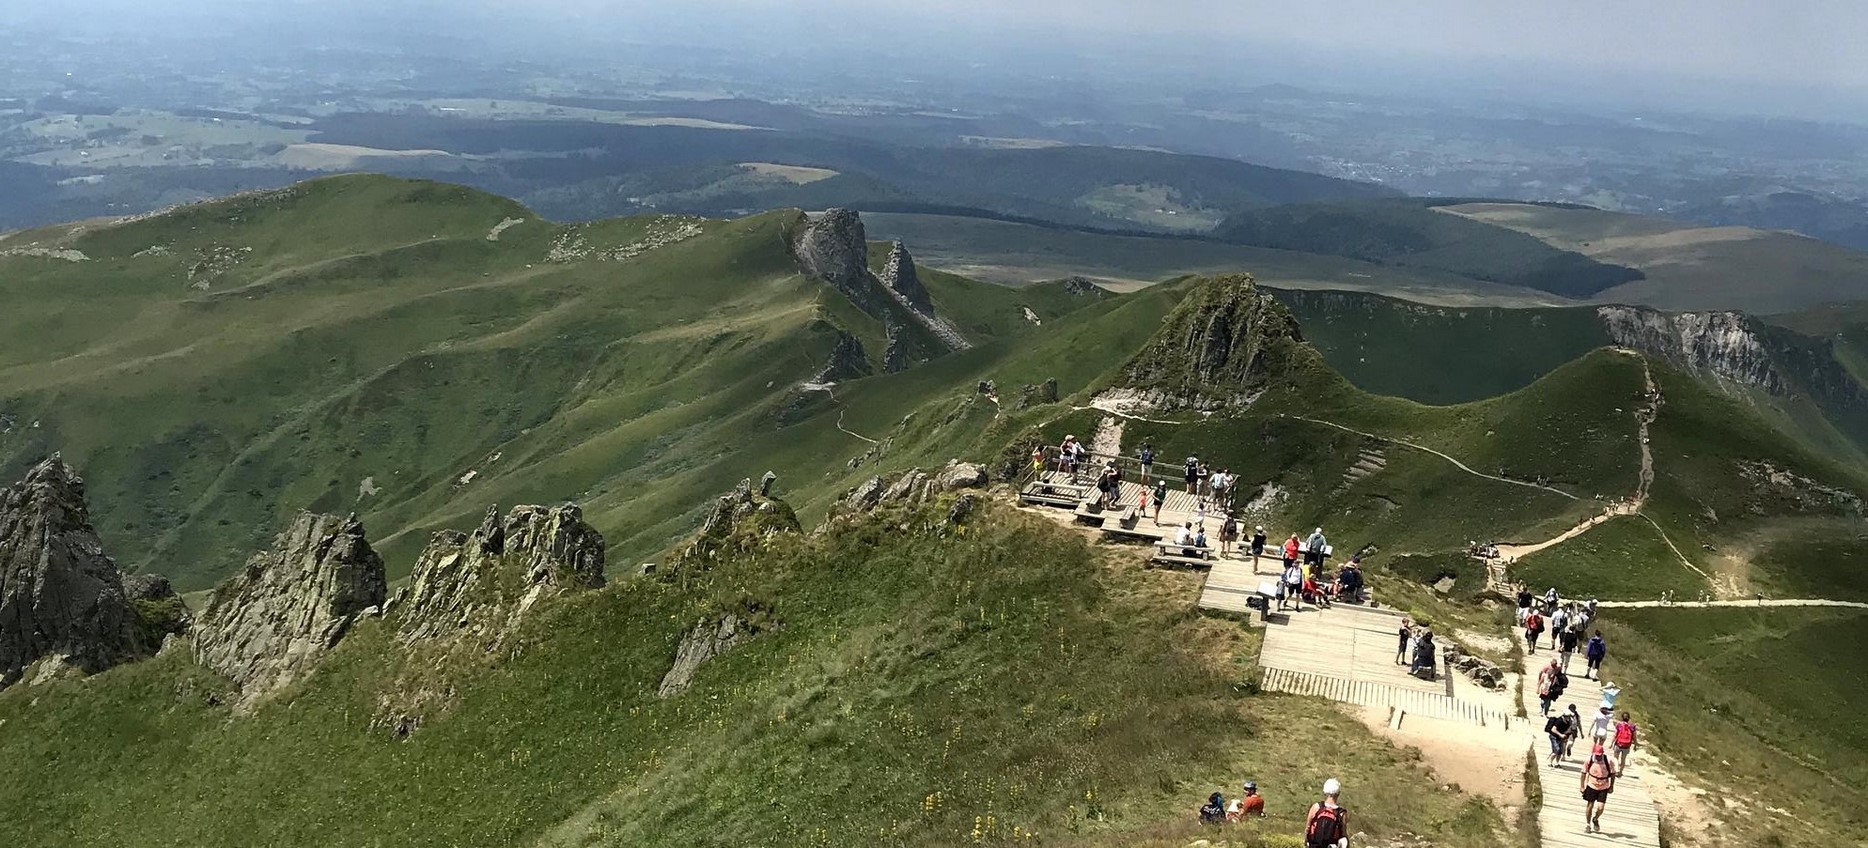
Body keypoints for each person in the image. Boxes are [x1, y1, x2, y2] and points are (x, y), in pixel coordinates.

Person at [1581, 745, 1617, 833]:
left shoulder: (1608, 761)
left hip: (1603, 786)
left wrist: (1611, 786)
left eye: (1599, 755)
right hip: (1592, 785)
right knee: (1590, 805)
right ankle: (1587, 824)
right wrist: (1582, 786)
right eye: (1596, 755)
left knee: (1601, 807)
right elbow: (1583, 773)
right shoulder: (1589, 760)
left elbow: (1613, 774)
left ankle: (1595, 818)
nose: (1598, 756)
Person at [1303, 779, 1349, 848]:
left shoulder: (1316, 807)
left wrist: (1305, 842)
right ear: (1338, 793)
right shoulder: (1341, 813)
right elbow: (1343, 835)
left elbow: (1307, 828)